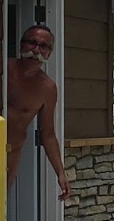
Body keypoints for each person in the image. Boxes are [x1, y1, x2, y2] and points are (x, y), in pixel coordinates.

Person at [7, 23, 70, 200]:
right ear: (21, 45)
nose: (36, 50)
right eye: (31, 43)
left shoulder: (47, 88)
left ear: (48, 54)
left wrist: (60, 173)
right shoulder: (2, 71)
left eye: (43, 46)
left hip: (11, 153)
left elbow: (48, 134)